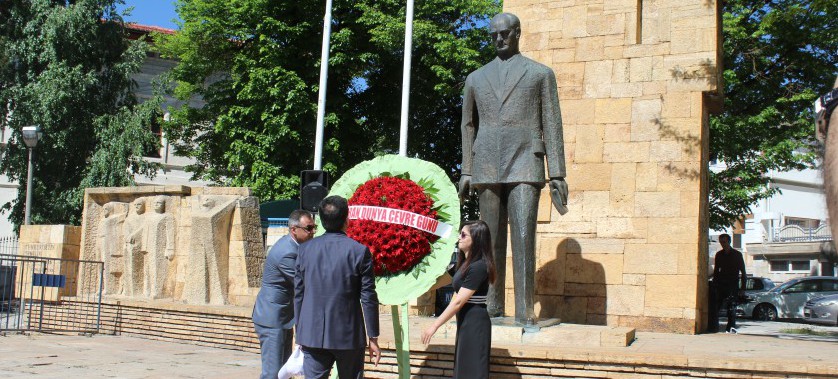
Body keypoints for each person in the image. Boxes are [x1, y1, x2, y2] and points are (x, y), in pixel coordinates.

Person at [458, 12, 568, 322]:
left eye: (505, 33)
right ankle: (491, 304)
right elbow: (468, 125)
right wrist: (467, 168)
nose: (499, 39)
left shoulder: (539, 73)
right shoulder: (475, 78)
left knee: (523, 235)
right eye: (493, 35)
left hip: (525, 161)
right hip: (487, 162)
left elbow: (552, 123)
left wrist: (557, 171)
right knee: (488, 240)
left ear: (517, 33)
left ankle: (524, 310)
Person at [294, 195, 380, 378]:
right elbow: (368, 296)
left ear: (321, 220)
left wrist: (300, 331)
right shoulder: (358, 251)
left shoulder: (304, 250)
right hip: (348, 335)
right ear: (347, 219)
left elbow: (299, 293)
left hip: (312, 334)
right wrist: (373, 336)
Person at [421, 220, 497, 379]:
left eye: (463, 234)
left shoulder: (479, 267)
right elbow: (445, 285)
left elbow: (458, 301)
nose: (459, 237)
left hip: (475, 323)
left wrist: (434, 326)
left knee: (473, 371)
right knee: (463, 370)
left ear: (476, 239)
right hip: (466, 322)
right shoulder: (464, 264)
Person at [251, 210, 316, 379]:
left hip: (282, 317)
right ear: (294, 229)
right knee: (272, 374)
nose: (313, 232)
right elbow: (304, 283)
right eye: (309, 228)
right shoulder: (287, 252)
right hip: (272, 318)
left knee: (284, 373)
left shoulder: (295, 246)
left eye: (314, 227)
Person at [710, 233, 746, 333]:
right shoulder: (719, 255)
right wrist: (715, 283)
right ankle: (714, 326)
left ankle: (731, 328)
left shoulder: (737, 254)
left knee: (732, 307)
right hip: (721, 284)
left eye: (724, 242)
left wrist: (743, 288)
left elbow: (743, 272)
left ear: (729, 242)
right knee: (717, 306)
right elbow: (717, 271)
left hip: (733, 284)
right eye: (721, 242)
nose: (722, 244)